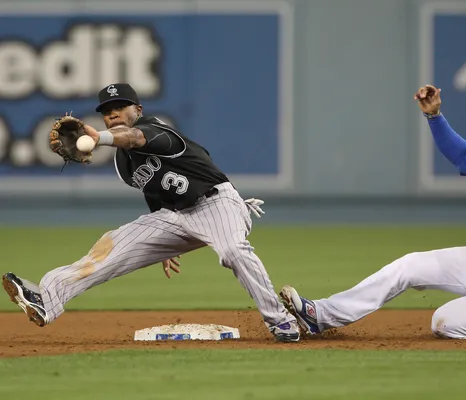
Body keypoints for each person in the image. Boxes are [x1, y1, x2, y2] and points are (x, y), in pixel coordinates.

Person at [280, 84, 466, 341]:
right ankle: (321, 315)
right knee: (410, 265)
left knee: (444, 323)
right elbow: (462, 157)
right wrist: (434, 116)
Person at [3, 83, 300, 342]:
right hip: (176, 216)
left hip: (217, 204)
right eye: (108, 111)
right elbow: (155, 191)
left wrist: (101, 138)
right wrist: (165, 242)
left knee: (233, 250)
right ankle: (48, 298)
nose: (114, 113)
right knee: (112, 247)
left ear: (138, 109)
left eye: (121, 106)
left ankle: (280, 320)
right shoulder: (123, 165)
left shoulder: (156, 131)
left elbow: (133, 138)